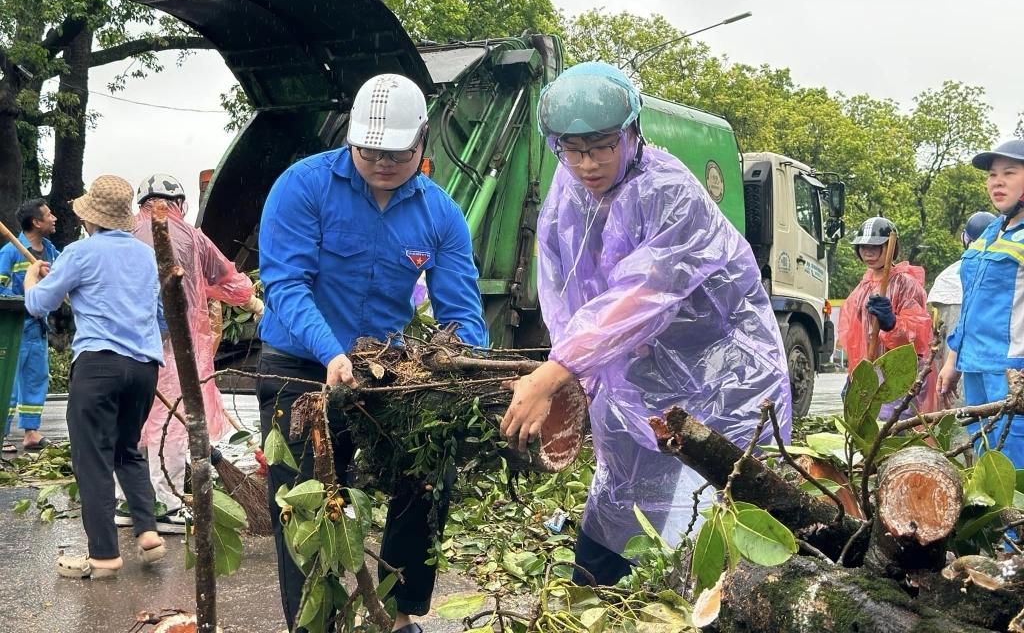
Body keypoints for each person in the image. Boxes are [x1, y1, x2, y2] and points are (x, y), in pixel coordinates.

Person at [498, 62, 792, 587]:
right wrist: (579, 374)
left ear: (632, 132)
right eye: (572, 148)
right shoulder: (567, 192)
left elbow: (646, 293)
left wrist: (556, 369)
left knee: (718, 518)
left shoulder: (668, 189)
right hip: (633, 372)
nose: (587, 162)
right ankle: (598, 603)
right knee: (619, 495)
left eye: (601, 146)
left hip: (721, 375)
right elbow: (563, 291)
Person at [257, 73, 488, 633]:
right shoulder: (302, 186)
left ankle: (401, 616)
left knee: (429, 473)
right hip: (301, 366)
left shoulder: (440, 214)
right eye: (370, 151)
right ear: (353, 139)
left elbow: (462, 311)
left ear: (423, 140)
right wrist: (332, 353)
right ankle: (315, 624)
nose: (383, 163)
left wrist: (470, 373)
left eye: (398, 153)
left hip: (388, 372)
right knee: (306, 507)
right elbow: (286, 284)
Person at [21, 176, 167, 578]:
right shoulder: (145, 256)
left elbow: (39, 304)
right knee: (127, 449)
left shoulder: (80, 252)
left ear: (91, 218)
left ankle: (104, 556)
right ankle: (148, 531)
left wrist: (35, 276)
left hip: (97, 365)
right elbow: (160, 320)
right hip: (144, 368)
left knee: (93, 460)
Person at [115, 174, 262, 533]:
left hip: (127, 344)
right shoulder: (192, 237)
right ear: (179, 203)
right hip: (175, 344)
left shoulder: (124, 235)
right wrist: (253, 300)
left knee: (130, 418)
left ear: (142, 202)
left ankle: (126, 502)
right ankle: (165, 505)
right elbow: (225, 275)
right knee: (174, 424)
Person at [939, 140, 1024, 467]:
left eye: (1009, 172)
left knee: (1013, 465)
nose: (997, 181)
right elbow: (970, 304)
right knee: (986, 461)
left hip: (1012, 369)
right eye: (992, 174)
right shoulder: (990, 231)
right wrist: (952, 361)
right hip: (974, 365)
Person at [836, 217, 932, 418]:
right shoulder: (864, 284)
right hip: (869, 369)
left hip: (896, 372)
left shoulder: (906, 283)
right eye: (863, 247)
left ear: (891, 247)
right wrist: (855, 373)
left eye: (875, 246)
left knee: (891, 429)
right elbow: (854, 335)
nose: (868, 252)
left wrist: (892, 323)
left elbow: (919, 334)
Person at [0, 198, 60, 453]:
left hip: (38, 327)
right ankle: (2, 433)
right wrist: (25, 302)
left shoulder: (50, 251)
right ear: (36, 222)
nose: (54, 218)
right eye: (49, 215)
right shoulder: (11, 252)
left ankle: (31, 432)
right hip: (15, 329)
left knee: (36, 378)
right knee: (8, 381)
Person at [926, 212, 998, 410]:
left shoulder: (945, 277)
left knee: (959, 421)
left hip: (951, 365)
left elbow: (934, 334)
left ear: (965, 239)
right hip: (991, 363)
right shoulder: (1002, 270)